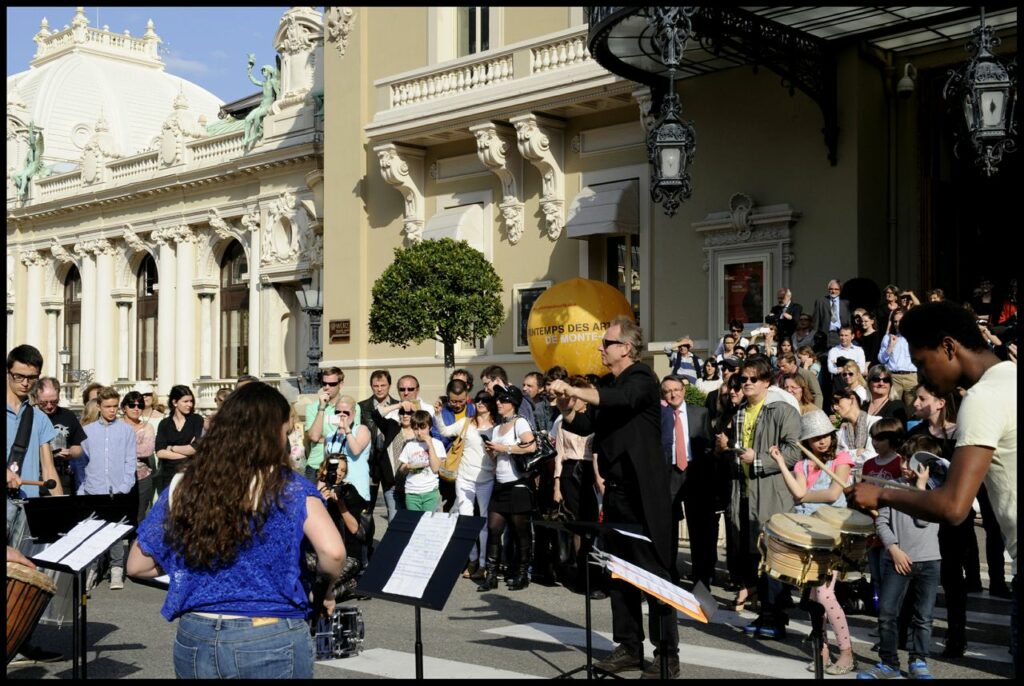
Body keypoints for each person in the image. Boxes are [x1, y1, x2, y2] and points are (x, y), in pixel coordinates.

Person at [126, 382, 345, 679]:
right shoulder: (289, 486)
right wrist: (326, 591)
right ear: (273, 432)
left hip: (196, 633)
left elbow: (137, 565)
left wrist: (187, 566)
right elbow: (333, 552)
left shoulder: (185, 483)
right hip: (269, 630)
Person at [846, 301, 1017, 674]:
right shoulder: (1013, 378)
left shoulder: (982, 399)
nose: (923, 374)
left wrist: (882, 493)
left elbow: (954, 506)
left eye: (923, 362)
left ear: (949, 347)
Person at [548, 316, 679, 677]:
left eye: (606, 343)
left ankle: (667, 654)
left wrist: (575, 390)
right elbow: (586, 424)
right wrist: (564, 404)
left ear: (626, 348)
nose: (600, 349)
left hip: (644, 494)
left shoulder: (642, 380)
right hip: (617, 492)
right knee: (619, 572)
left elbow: (621, 400)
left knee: (654, 574)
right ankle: (629, 647)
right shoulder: (610, 383)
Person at [769, 410, 856, 675]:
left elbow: (832, 494)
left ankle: (847, 652)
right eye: (815, 438)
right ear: (807, 442)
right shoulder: (801, 465)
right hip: (808, 536)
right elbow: (796, 492)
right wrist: (781, 462)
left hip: (833, 534)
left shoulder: (841, 459)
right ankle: (823, 650)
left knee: (825, 594)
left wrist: (805, 496)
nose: (822, 441)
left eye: (825, 436)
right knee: (812, 597)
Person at [731, 355, 802, 640]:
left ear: (766, 382)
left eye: (753, 379)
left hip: (772, 493)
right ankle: (765, 614)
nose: (746, 383)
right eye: (742, 379)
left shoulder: (783, 411)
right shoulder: (739, 412)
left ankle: (776, 618)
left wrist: (757, 460)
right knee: (755, 559)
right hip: (744, 493)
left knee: (775, 559)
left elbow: (794, 452)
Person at [857, 442, 940, 680]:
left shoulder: (935, 491)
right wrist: (893, 549)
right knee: (887, 614)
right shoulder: (891, 488)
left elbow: (925, 520)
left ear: (925, 466)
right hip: (896, 559)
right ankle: (888, 664)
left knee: (923, 617)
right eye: (903, 460)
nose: (904, 466)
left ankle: (918, 661)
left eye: (911, 462)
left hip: (930, 561)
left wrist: (921, 487)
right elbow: (881, 521)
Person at [6, 345, 63, 666]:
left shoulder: (38, 417)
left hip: (27, 509)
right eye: (19, 376)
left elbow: (49, 469)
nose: (25, 383)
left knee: (25, 576)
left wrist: (64, 513)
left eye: (32, 378)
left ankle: (20, 639)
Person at [907, 383, 973, 657]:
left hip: (954, 514)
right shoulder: (915, 433)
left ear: (940, 402)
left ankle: (956, 635)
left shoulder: (963, 434)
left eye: (922, 399)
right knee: (916, 573)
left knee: (953, 577)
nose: (916, 404)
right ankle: (908, 631)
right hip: (924, 513)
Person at [478, 385, 537, 592]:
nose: (498, 403)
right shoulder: (496, 428)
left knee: (520, 531)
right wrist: (493, 452)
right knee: (494, 528)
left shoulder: (520, 423)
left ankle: (522, 574)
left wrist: (505, 448)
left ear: (513, 404)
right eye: (498, 400)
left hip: (518, 486)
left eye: (503, 401)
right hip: (501, 485)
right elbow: (498, 458)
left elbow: (531, 446)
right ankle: (491, 575)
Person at [434, 390, 497, 580]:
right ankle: (472, 559)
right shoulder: (466, 422)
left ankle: (484, 564)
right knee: (466, 520)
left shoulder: (497, 428)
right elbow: (445, 431)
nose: (480, 403)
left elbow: (500, 454)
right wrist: (437, 414)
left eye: (485, 400)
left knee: (484, 521)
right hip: (464, 477)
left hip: (486, 478)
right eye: (478, 400)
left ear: (491, 404)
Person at [661, 375, 716, 592]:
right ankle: (669, 575)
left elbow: (709, 444)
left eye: (676, 389)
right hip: (670, 474)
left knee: (699, 529)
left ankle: (701, 579)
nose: (673, 394)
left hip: (695, 474)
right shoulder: (660, 416)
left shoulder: (699, 412)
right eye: (667, 391)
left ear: (683, 390)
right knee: (669, 527)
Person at [79, 387, 137, 590]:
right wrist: (82, 487)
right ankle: (92, 568)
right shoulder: (87, 431)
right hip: (94, 487)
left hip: (118, 489)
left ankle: (116, 569)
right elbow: (81, 462)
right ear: (99, 406)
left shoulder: (126, 430)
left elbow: (131, 460)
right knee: (94, 530)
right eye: (108, 407)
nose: (112, 411)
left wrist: (125, 485)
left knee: (115, 531)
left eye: (115, 406)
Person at [317, 454, 371, 602]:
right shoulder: (314, 490)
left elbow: (355, 529)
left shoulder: (348, 491)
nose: (338, 473)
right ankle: (351, 585)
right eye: (334, 469)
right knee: (311, 583)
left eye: (342, 470)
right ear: (323, 470)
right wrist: (319, 499)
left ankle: (354, 585)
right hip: (324, 554)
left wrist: (341, 504)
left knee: (321, 593)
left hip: (349, 555)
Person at [31, 377, 87, 495]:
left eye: (54, 401)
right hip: (34, 476)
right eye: (44, 403)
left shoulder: (68, 415)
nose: (50, 406)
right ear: (35, 398)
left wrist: (70, 453)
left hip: (62, 476)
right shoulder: (28, 416)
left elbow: (79, 448)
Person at [358, 369, 398, 531]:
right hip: (370, 464)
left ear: (389, 385)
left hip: (390, 464)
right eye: (376, 385)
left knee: (394, 509)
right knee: (366, 510)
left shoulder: (398, 406)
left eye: (383, 385)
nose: (379, 389)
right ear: (371, 386)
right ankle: (365, 552)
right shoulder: (362, 407)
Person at [431, 378, 475, 512]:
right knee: (448, 505)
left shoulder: (473, 410)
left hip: (469, 466)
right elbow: (438, 439)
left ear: (467, 396)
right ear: (447, 396)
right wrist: (456, 437)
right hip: (450, 466)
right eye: (453, 401)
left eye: (461, 401)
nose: (457, 405)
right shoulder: (441, 414)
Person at [154, 385, 203, 492]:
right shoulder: (165, 424)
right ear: (175, 402)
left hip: (191, 474)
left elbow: (195, 448)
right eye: (185, 401)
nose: (189, 405)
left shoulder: (197, 420)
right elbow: (160, 452)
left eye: (191, 401)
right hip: (168, 476)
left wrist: (172, 447)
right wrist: (187, 453)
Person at [120, 391, 157, 525]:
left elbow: (147, 450)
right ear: (124, 407)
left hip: (142, 477)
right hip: (118, 477)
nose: (136, 408)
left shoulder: (148, 427)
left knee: (139, 518)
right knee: (120, 518)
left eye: (140, 405)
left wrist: (123, 449)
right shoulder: (115, 426)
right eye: (132, 405)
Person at [396, 410, 445, 512]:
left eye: (423, 428)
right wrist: (407, 467)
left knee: (429, 524)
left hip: (430, 492)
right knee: (414, 524)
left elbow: (436, 468)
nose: (419, 432)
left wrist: (430, 444)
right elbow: (401, 469)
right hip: (411, 492)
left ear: (430, 427)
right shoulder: (410, 445)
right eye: (415, 429)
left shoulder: (437, 444)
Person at [306, 367, 349, 483]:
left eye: (332, 384)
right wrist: (322, 408)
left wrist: (324, 439)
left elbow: (350, 436)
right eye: (324, 383)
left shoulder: (351, 407)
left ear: (341, 384)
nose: (327, 387)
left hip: (340, 467)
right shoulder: (312, 408)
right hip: (316, 465)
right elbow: (314, 437)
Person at [879, 308, 918, 410]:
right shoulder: (888, 338)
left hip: (912, 377)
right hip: (894, 376)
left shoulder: (914, 337)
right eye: (895, 321)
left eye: (900, 321)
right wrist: (890, 347)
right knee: (894, 409)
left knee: (913, 410)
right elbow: (881, 359)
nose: (897, 324)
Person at [833, 387, 881, 467]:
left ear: (852, 399)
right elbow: (834, 455)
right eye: (833, 404)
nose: (835, 407)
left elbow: (871, 457)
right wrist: (856, 452)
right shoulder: (842, 430)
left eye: (837, 402)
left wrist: (845, 456)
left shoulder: (874, 422)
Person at [243, 55, 280, 149]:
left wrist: (278, 106)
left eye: (264, 70)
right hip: (262, 105)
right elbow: (254, 81)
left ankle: (257, 133)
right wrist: (249, 69)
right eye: (262, 71)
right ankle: (246, 138)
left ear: (269, 71)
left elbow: (278, 93)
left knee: (257, 116)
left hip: (268, 105)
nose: (263, 72)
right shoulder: (264, 83)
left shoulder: (273, 82)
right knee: (247, 119)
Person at [812, 279, 852, 350]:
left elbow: (849, 320)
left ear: (840, 290)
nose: (833, 291)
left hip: (840, 334)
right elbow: (816, 320)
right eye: (831, 289)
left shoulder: (846, 302)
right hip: (825, 334)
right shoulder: (821, 301)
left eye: (836, 289)